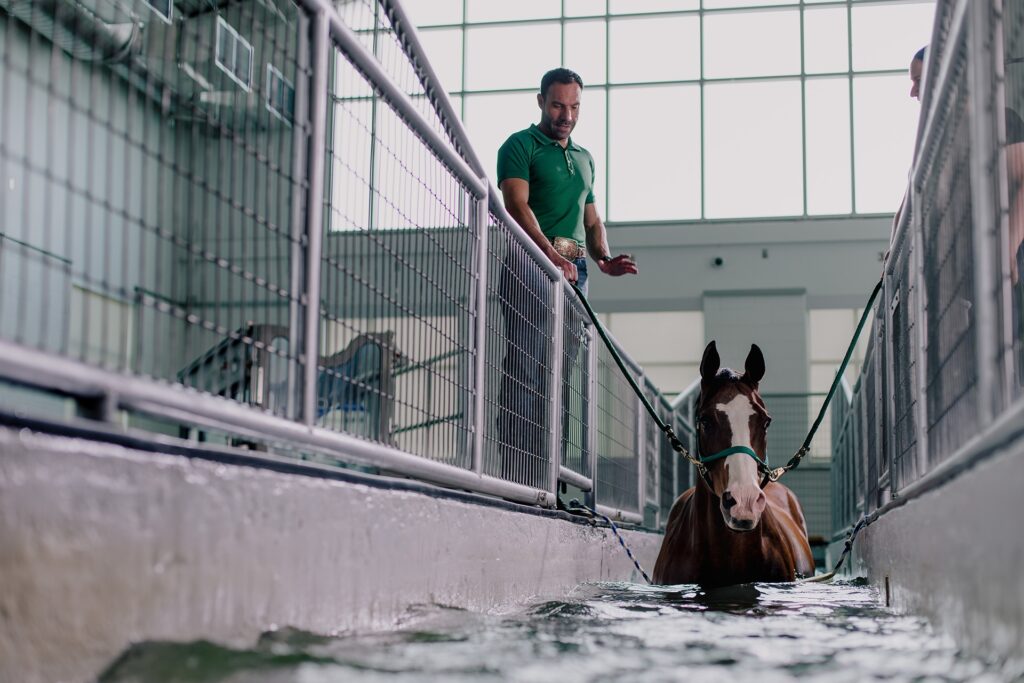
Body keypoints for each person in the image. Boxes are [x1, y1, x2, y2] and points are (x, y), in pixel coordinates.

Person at [495, 67, 637, 487]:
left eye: (574, 106)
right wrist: (551, 255)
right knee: (527, 367)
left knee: (561, 377)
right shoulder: (520, 146)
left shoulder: (585, 158)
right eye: (558, 104)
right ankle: (517, 474)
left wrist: (606, 259)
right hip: (531, 264)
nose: (566, 114)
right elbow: (517, 206)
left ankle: (549, 476)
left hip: (576, 273)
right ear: (541, 101)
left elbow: (592, 222)